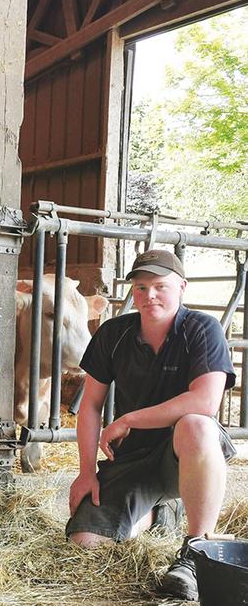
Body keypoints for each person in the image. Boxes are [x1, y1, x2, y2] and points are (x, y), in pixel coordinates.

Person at [66, 249, 236, 601]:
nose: (148, 296)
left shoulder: (202, 329)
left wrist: (129, 419)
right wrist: (86, 472)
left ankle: (195, 551)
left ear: (182, 287)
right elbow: (91, 406)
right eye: (141, 287)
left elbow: (205, 401)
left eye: (159, 286)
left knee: (196, 425)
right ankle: (160, 513)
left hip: (185, 455)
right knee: (85, 544)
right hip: (133, 459)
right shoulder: (114, 334)